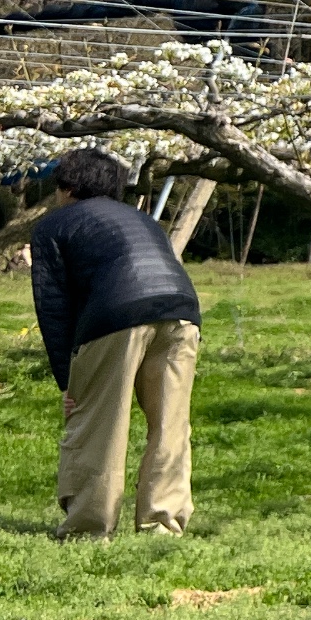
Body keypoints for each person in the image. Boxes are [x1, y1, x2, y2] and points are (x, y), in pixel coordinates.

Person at [31, 148, 201, 538]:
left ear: (67, 187)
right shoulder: (144, 220)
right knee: (170, 424)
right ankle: (163, 523)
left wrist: (68, 382)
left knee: (100, 424)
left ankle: (89, 526)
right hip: (181, 311)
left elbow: (53, 306)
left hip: (116, 315)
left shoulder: (53, 226)